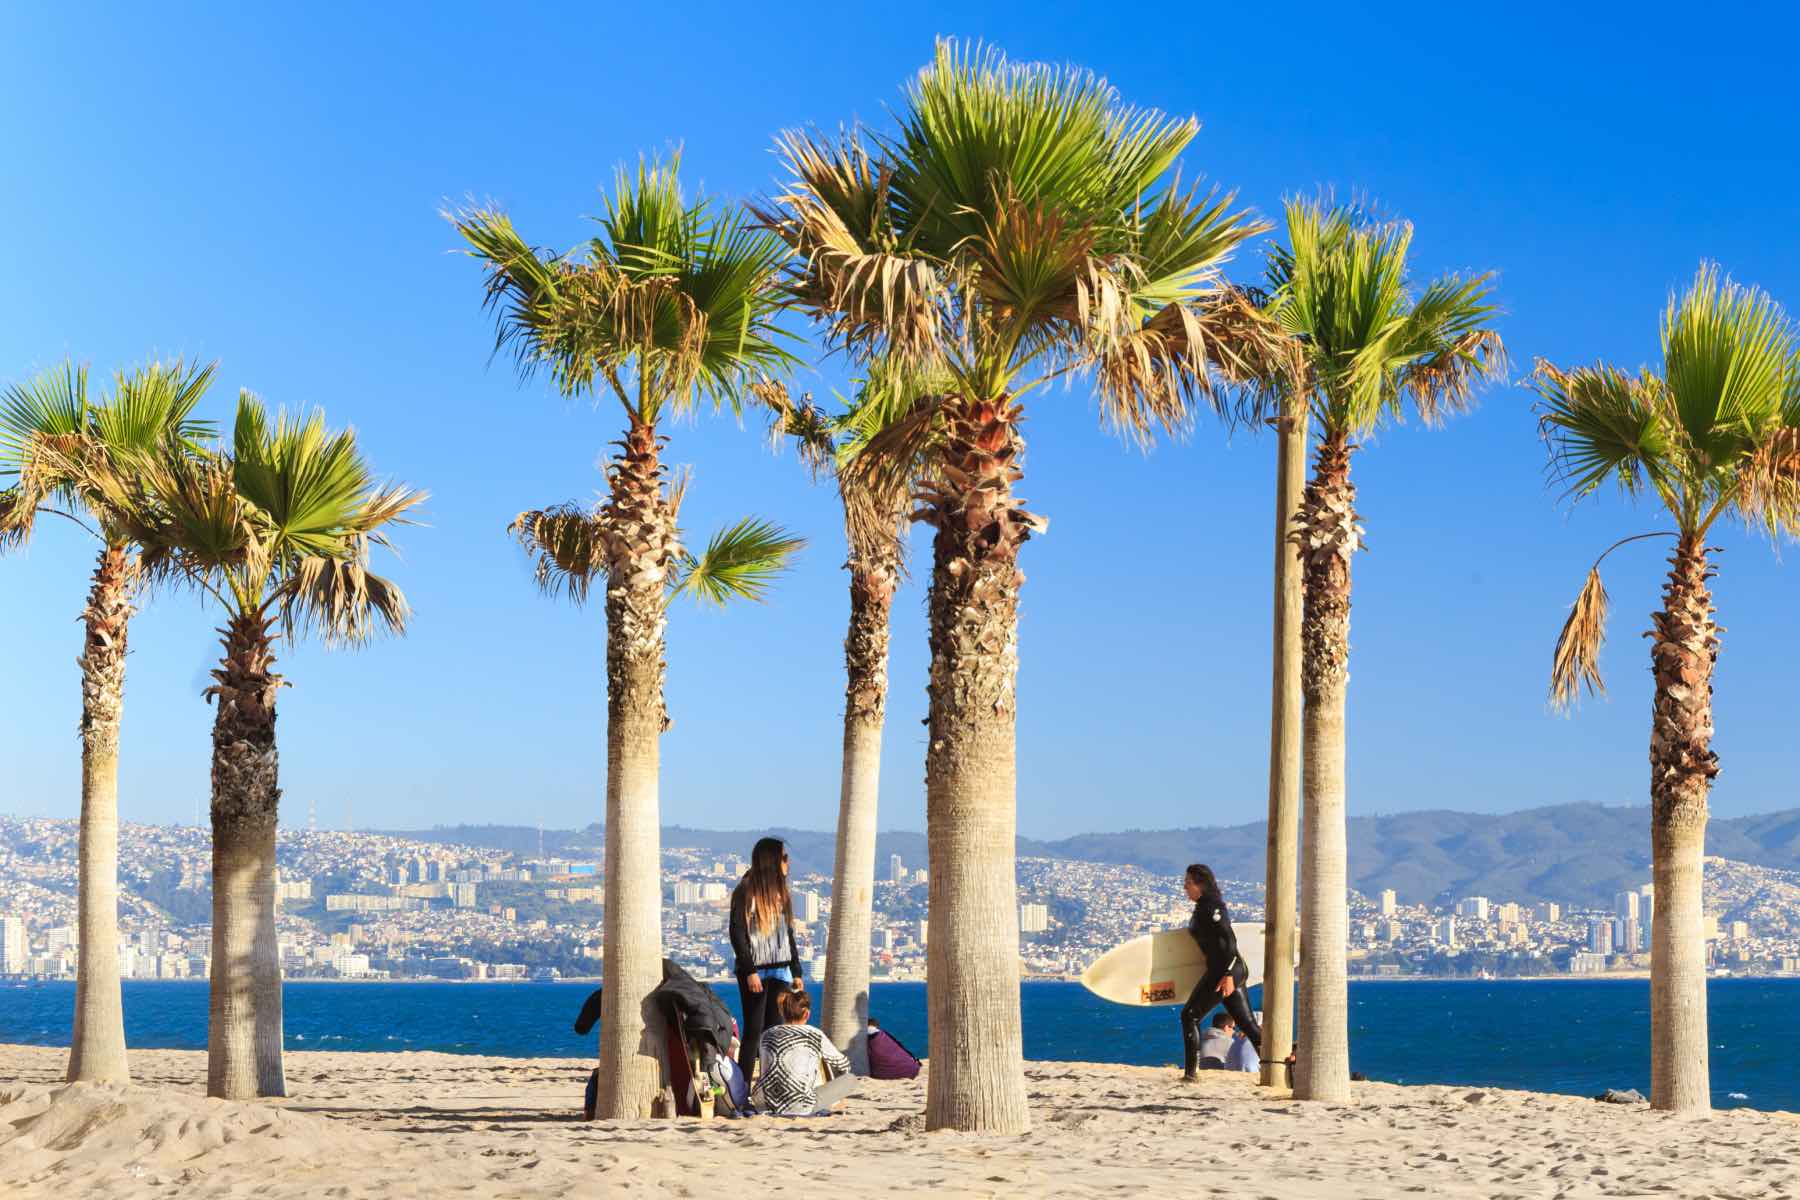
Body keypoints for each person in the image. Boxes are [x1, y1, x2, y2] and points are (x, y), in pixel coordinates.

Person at [1179, 863, 1263, 1083]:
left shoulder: (1212, 908)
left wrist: (1227, 975)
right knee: (1247, 1025)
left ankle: (1190, 1073)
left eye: (1188, 882)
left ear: (1201, 884)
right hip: (1227, 969)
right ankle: (1280, 1071)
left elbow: (1230, 942)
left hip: (1226, 969)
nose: (1184, 887)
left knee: (1190, 1015)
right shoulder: (1202, 906)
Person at [730, 836, 804, 1083]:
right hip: (756, 971)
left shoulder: (782, 893)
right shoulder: (746, 890)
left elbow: (787, 934)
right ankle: (742, 1092)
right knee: (753, 1031)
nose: (788, 862)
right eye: (784, 857)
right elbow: (737, 932)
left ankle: (770, 1086)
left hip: (781, 969)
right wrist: (750, 970)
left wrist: (796, 971)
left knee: (774, 1031)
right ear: (772, 861)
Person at [755, 987, 855, 1116]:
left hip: (763, 1103)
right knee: (851, 1080)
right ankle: (835, 1104)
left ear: (782, 1012)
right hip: (801, 1105)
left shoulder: (767, 1034)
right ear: (806, 1014)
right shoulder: (814, 1034)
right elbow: (844, 1065)